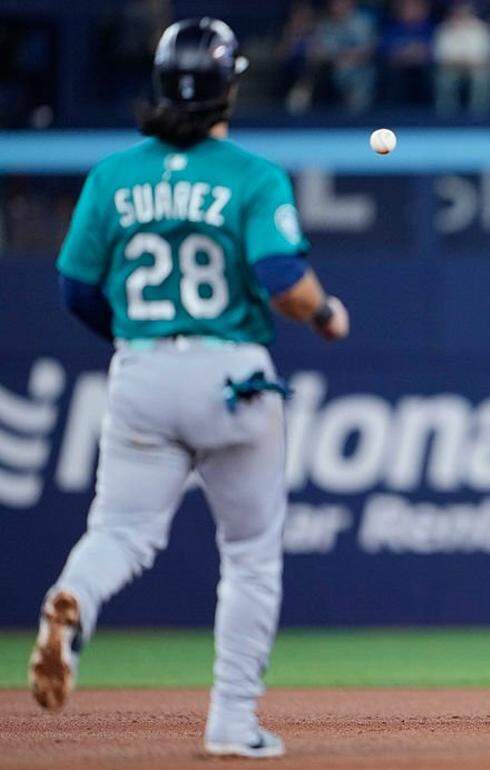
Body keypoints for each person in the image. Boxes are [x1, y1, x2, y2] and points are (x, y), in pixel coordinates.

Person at [27, 17, 349, 759]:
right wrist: (327, 313)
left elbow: (77, 290)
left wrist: (141, 340)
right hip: (230, 371)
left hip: (141, 370)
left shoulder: (113, 175)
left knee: (118, 534)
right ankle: (233, 724)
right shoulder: (250, 175)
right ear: (230, 83)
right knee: (250, 554)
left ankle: (76, 602)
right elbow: (282, 282)